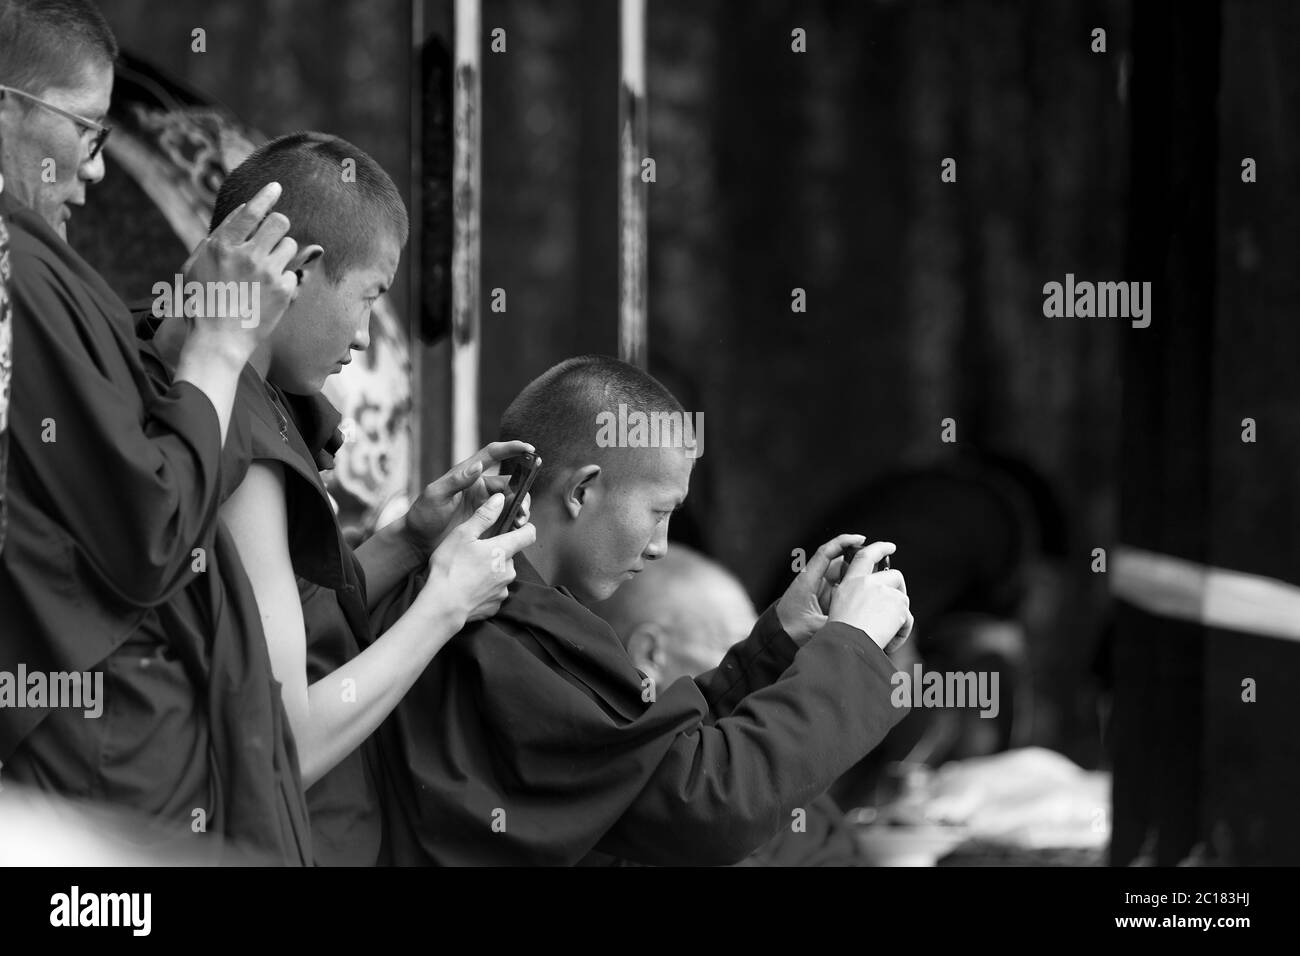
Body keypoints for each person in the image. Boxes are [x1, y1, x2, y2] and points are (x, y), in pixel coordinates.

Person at [148, 131, 536, 865]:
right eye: (368, 298)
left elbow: (266, 608)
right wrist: (446, 603)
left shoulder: (220, 385)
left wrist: (411, 541)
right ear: (302, 270)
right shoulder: (237, 431)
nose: (362, 338)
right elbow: (282, 743)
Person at [372, 355, 914, 865]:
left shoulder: (502, 607)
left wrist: (783, 641)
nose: (660, 545)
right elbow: (707, 806)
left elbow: (647, 756)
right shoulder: (505, 627)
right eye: (660, 512)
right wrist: (852, 644)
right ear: (582, 492)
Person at [0, 0, 312, 861]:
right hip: (108, 753)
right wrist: (215, 344)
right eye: (87, 132)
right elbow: (150, 528)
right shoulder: (16, 270)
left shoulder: (42, 272)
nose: (96, 173)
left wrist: (175, 349)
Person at [593, 543, 872, 866]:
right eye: (735, 646)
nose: (764, 663)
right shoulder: (617, 793)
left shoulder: (765, 782)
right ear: (652, 654)